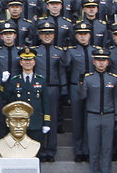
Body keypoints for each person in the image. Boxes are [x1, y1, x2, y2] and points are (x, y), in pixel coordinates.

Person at [79, 49, 117, 173]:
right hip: (93, 115)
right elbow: (82, 97)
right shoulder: (88, 78)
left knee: (107, 150)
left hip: (109, 115)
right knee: (94, 150)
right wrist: (80, 83)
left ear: (108, 62)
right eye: (98, 60)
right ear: (94, 62)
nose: (101, 63)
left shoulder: (113, 78)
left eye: (104, 60)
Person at [1, 48, 51, 157]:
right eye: (24, 60)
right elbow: (6, 97)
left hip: (36, 122)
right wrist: (4, 83)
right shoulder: (14, 80)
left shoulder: (41, 80)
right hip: (19, 124)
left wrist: (46, 122)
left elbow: (46, 102)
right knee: (19, 152)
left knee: (35, 153)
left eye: (30, 60)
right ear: (20, 62)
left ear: (34, 62)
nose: (27, 62)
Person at [64, 22, 99, 162]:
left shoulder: (95, 51)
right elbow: (65, 68)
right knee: (77, 120)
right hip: (76, 87)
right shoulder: (72, 51)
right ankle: (79, 150)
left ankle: (88, 149)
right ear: (76, 36)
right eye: (80, 34)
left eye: (85, 34)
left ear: (90, 35)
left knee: (89, 120)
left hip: (92, 88)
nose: (83, 37)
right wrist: (66, 51)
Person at [34, 22, 66, 162]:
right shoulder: (34, 51)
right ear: (40, 35)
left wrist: (63, 88)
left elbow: (62, 72)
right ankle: (39, 149)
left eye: (50, 34)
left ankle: (51, 150)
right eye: (44, 34)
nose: (47, 36)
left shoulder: (59, 52)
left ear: (54, 35)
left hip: (54, 88)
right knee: (38, 120)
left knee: (51, 120)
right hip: (38, 88)